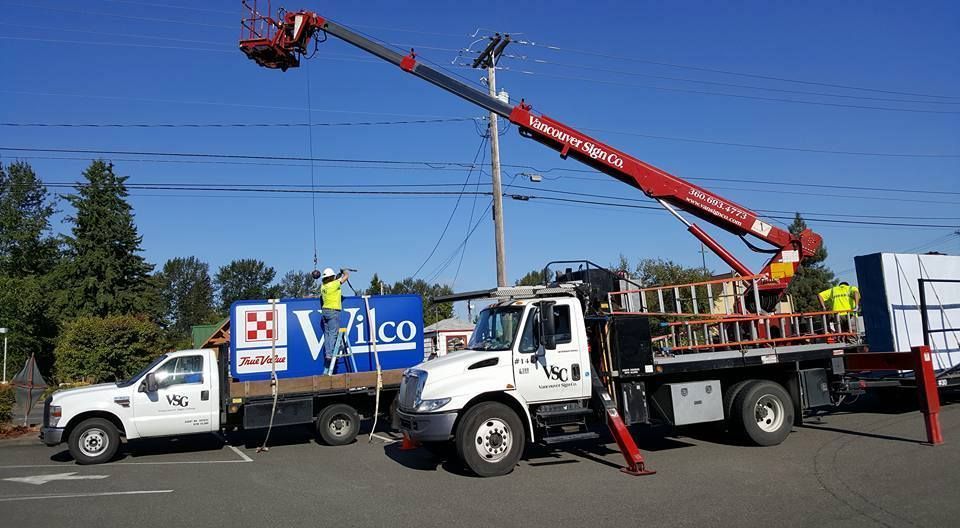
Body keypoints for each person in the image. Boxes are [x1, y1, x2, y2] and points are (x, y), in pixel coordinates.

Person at [320, 267, 349, 361]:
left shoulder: (323, 286)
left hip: (325, 311)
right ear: (331, 277)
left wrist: (338, 276)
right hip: (333, 311)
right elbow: (346, 276)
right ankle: (331, 353)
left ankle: (328, 353)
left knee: (327, 334)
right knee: (333, 333)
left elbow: (335, 280)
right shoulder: (334, 284)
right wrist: (344, 271)